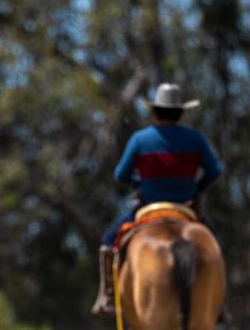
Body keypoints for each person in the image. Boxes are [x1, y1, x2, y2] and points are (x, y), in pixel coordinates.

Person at [90, 82, 224, 316]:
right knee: (213, 245)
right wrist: (196, 189)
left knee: (109, 240)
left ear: (154, 112)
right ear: (180, 112)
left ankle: (109, 296)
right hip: (185, 208)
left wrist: (140, 185)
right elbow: (214, 171)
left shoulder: (140, 139)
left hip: (148, 207)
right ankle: (219, 303)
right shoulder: (195, 139)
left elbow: (120, 174)